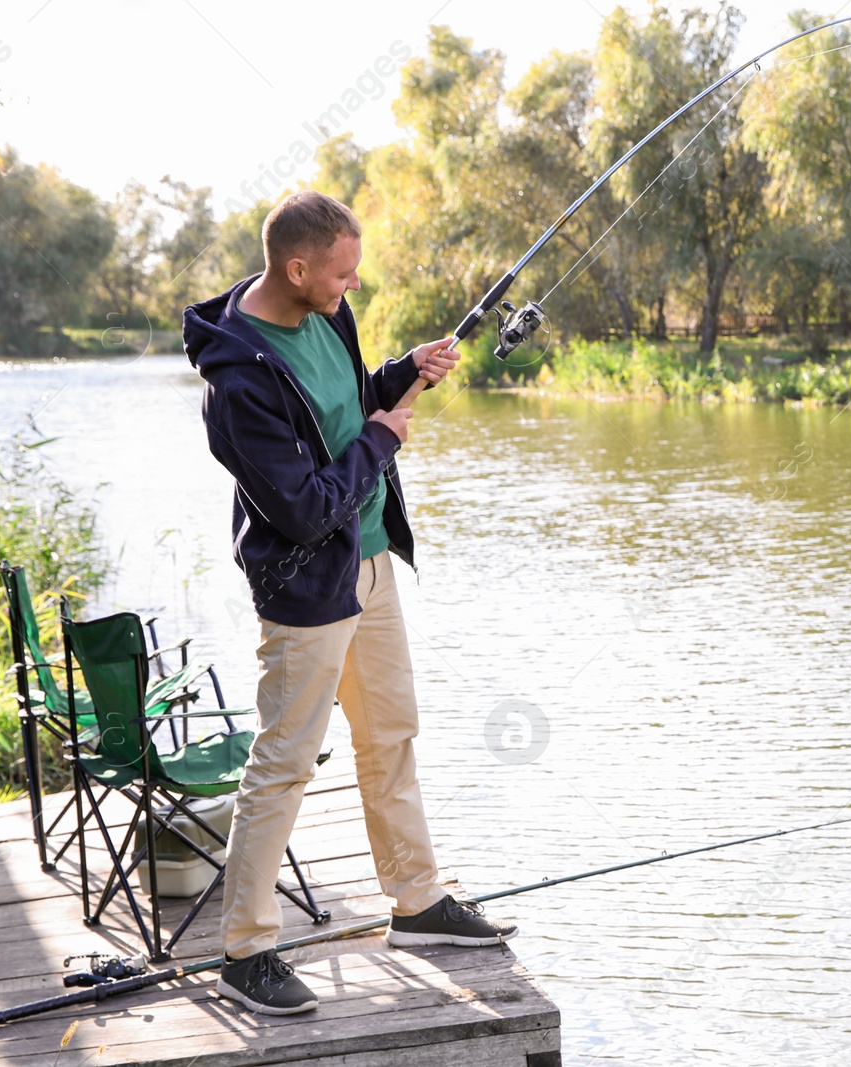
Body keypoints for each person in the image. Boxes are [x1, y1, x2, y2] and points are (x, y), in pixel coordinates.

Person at [182, 190, 516, 1016]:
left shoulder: (324, 312)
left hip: (369, 565)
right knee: (287, 759)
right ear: (297, 269)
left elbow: (348, 398)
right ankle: (246, 949)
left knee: (391, 730)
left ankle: (417, 901)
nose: (351, 286)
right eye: (341, 273)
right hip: (305, 584)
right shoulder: (237, 383)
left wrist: (403, 374)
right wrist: (383, 436)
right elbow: (301, 503)